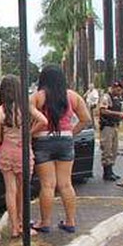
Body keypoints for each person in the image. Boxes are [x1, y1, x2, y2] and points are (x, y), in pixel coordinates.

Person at [30, 65, 91, 233]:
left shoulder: (38, 97)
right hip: (65, 140)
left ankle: (45, 222)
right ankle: (70, 221)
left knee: (47, 185)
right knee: (65, 183)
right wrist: (71, 132)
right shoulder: (73, 96)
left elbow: (28, 119)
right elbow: (86, 119)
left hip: (42, 140)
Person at [0, 75, 48, 238]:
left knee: (10, 191)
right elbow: (44, 121)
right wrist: (28, 133)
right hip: (23, 152)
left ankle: (14, 227)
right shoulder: (26, 107)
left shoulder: (0, 110)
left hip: (6, 152)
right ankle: (24, 225)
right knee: (23, 191)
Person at [98, 82, 123, 181]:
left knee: (114, 149)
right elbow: (103, 111)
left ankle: (111, 170)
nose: (119, 92)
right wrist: (118, 114)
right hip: (107, 127)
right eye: (117, 90)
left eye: (120, 90)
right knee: (107, 149)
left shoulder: (118, 99)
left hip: (115, 126)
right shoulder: (106, 97)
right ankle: (107, 172)